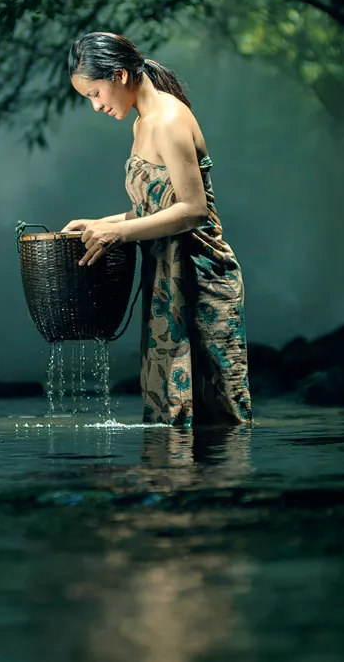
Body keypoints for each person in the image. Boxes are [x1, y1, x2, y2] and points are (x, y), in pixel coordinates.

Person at [62, 32, 252, 427]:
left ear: (120, 76)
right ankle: (178, 490)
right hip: (169, 282)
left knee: (218, 419)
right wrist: (103, 223)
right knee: (173, 418)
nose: (96, 106)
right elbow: (157, 207)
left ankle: (225, 490)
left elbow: (195, 209)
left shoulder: (167, 120)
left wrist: (118, 234)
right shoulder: (143, 122)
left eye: (95, 93)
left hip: (200, 280)